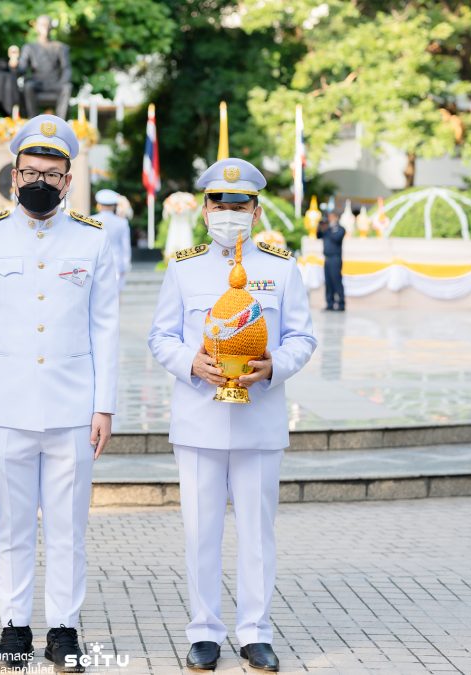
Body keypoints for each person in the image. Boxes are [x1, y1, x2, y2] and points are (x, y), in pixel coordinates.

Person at [0, 114, 119, 672]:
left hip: (74, 407)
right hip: (5, 407)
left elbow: (106, 327)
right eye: (31, 171)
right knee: (13, 524)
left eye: (52, 173)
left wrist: (105, 406)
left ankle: (65, 627)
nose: (40, 181)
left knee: (70, 527)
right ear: (14, 174)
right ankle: (15, 623)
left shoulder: (93, 240)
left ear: (69, 179)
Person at [148, 158, 316, 673]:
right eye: (220, 204)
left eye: (239, 205)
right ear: (204, 210)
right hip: (200, 416)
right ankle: (204, 631)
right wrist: (191, 363)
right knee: (200, 532)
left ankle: (255, 632)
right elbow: (162, 336)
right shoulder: (183, 266)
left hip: (259, 421)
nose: (229, 213)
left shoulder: (280, 267)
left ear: (256, 211)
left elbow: (302, 338)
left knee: (257, 534)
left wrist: (271, 369)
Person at [94, 189, 131, 292]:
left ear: (99, 205)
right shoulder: (122, 222)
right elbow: (125, 247)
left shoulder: (91, 220)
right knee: (115, 296)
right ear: (114, 206)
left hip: (96, 262)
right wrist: (125, 265)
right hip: (116, 262)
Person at [318, 209, 345, 311]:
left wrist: (329, 228)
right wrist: (319, 226)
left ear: (336, 218)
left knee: (336, 281)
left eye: (332, 217)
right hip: (327, 259)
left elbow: (336, 238)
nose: (330, 219)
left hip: (335, 258)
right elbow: (318, 235)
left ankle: (341, 304)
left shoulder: (340, 229)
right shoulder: (326, 229)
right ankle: (330, 303)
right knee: (328, 282)